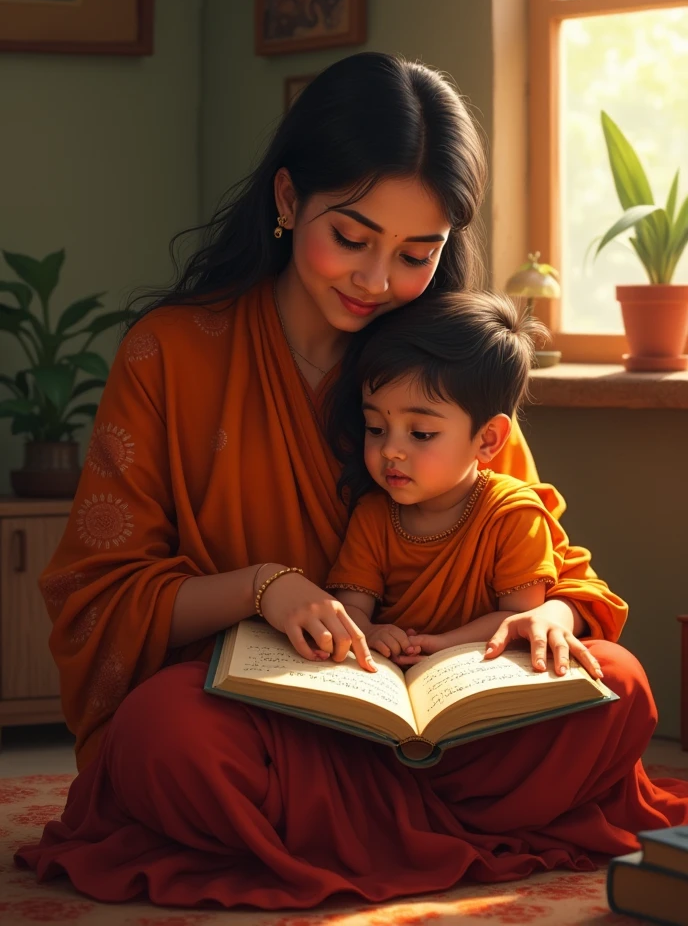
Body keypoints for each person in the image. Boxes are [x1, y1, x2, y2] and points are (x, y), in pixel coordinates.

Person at [15, 53, 687, 910]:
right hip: (273, 724)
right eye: (352, 238)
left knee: (617, 682)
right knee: (165, 736)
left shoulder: (450, 362)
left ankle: (365, 822)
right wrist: (267, 591)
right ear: (289, 202)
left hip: (448, 720)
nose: (377, 282)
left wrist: (548, 620)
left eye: (416, 253)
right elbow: (102, 598)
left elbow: (551, 567)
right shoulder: (171, 355)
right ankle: (431, 823)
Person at [325, 289, 604, 673]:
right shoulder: (373, 514)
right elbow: (352, 604)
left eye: (420, 433)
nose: (391, 450)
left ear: (488, 439)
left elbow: (519, 617)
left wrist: (441, 644)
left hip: (480, 668)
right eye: (375, 427)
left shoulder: (513, 514)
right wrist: (370, 631)